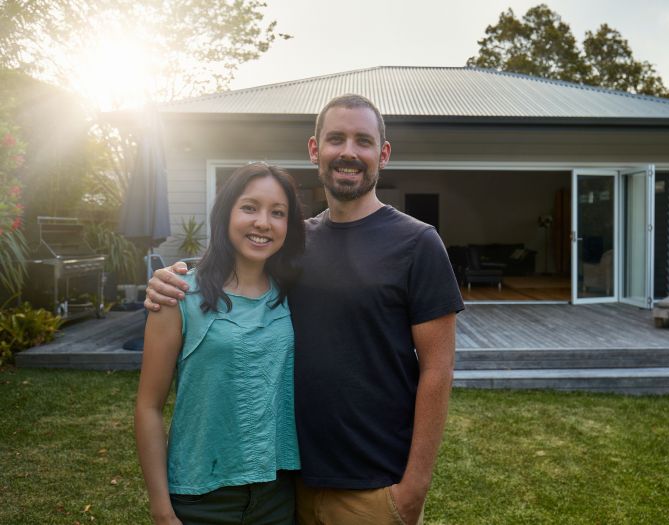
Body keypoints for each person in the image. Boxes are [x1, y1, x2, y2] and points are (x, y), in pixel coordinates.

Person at [145, 94, 464, 525]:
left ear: (382, 154)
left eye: (362, 141)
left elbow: (438, 370)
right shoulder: (294, 245)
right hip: (292, 484)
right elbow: (239, 267)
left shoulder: (418, 243)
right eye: (336, 139)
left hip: (374, 486)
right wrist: (171, 279)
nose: (348, 152)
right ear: (315, 150)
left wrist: (413, 488)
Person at [135, 162, 306, 525]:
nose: (263, 222)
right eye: (249, 207)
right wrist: (162, 510)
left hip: (278, 495)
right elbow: (149, 407)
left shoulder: (296, 295)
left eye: (278, 213)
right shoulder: (178, 295)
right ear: (225, 213)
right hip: (201, 498)